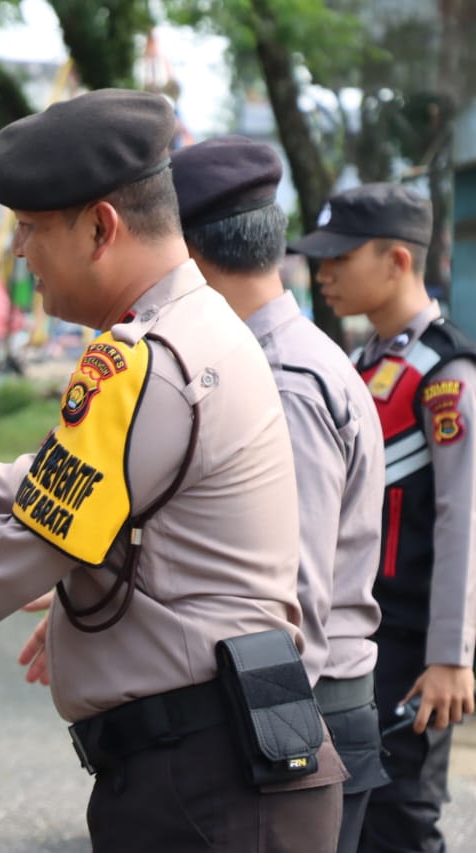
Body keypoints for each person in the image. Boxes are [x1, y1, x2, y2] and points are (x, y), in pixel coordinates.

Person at [0, 89, 348, 853]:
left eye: (31, 227)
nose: (19, 250)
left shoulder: (153, 360)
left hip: (210, 779)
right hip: (216, 765)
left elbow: (39, 535)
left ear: (101, 227)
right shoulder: (190, 334)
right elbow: (55, 487)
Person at [167, 135, 388, 852]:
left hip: (295, 715)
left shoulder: (281, 382)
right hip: (299, 710)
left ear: (191, 259)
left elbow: (293, 594)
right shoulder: (293, 358)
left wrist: (270, 751)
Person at [291, 183, 476, 852]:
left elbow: (464, 518)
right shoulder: (361, 364)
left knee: (402, 817)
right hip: (359, 632)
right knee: (354, 812)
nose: (324, 272)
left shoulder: (446, 372)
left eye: (340, 256)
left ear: (398, 259)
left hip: (412, 642)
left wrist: (450, 655)